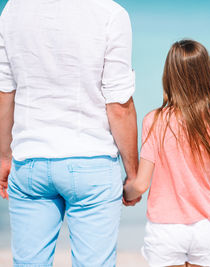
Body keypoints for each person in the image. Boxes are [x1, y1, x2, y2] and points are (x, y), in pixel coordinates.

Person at [0, 0, 140, 265]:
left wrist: (4, 156)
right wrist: (132, 174)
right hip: (92, 162)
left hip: (30, 161)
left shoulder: (13, 9)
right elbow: (119, 106)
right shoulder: (111, 14)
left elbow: (5, 93)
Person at [123, 39, 210, 267]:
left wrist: (126, 194)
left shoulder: (155, 120)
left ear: (169, 76)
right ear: (207, 74)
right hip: (204, 227)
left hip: (166, 229)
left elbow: (140, 185)